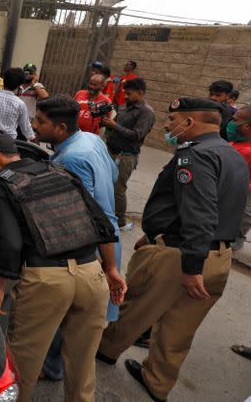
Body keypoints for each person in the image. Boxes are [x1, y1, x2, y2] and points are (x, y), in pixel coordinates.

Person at [97, 97, 247, 402]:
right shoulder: (231, 155)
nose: (166, 125)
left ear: (189, 122)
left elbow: (199, 214)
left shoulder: (195, 157)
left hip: (183, 256)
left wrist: (191, 267)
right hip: (219, 256)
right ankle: (157, 383)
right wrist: (153, 235)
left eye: (172, 119)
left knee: (135, 307)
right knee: (180, 327)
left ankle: (105, 351)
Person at [0, 131, 122, 402]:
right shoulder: (60, 172)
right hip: (92, 275)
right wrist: (111, 270)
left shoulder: (1, 186)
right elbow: (103, 224)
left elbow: (11, 244)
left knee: (23, 363)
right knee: (83, 360)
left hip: (46, 281)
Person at [32, 94, 125, 381]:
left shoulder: (71, 159)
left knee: (70, 312)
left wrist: (106, 266)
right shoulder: (91, 140)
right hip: (108, 239)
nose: (34, 125)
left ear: (60, 128)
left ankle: (52, 367)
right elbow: (113, 174)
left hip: (92, 245)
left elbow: (86, 213)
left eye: (40, 121)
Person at [102, 78, 155, 231]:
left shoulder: (146, 112)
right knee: (105, 184)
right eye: (125, 93)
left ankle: (120, 222)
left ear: (141, 93)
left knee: (118, 190)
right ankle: (105, 214)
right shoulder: (125, 107)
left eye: (129, 93)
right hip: (111, 151)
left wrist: (115, 125)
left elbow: (137, 134)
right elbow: (114, 127)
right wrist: (107, 124)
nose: (125, 96)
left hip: (125, 156)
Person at [227, 105, 251, 251]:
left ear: (247, 126)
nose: (230, 124)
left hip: (238, 201)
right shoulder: (232, 144)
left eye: (235, 120)